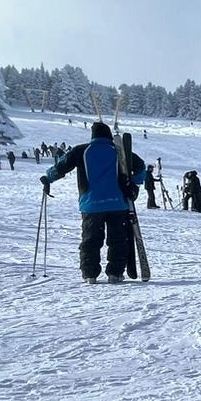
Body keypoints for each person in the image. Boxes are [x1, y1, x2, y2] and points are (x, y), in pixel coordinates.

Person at [41, 121, 145, 283]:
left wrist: (48, 178)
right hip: (118, 203)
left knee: (91, 239)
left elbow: (61, 166)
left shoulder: (81, 150)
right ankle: (115, 273)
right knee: (118, 239)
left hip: (91, 204)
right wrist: (134, 184)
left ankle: (90, 274)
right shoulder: (119, 151)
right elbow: (140, 166)